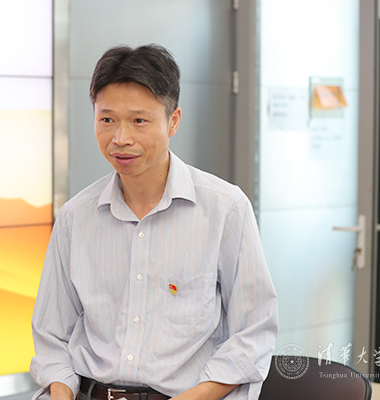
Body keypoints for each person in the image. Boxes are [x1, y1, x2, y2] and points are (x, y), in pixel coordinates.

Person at [30, 44, 278, 400]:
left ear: (173, 121)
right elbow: (51, 336)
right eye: (107, 120)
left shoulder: (226, 209)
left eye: (139, 121)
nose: (120, 139)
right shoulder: (75, 217)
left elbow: (253, 334)